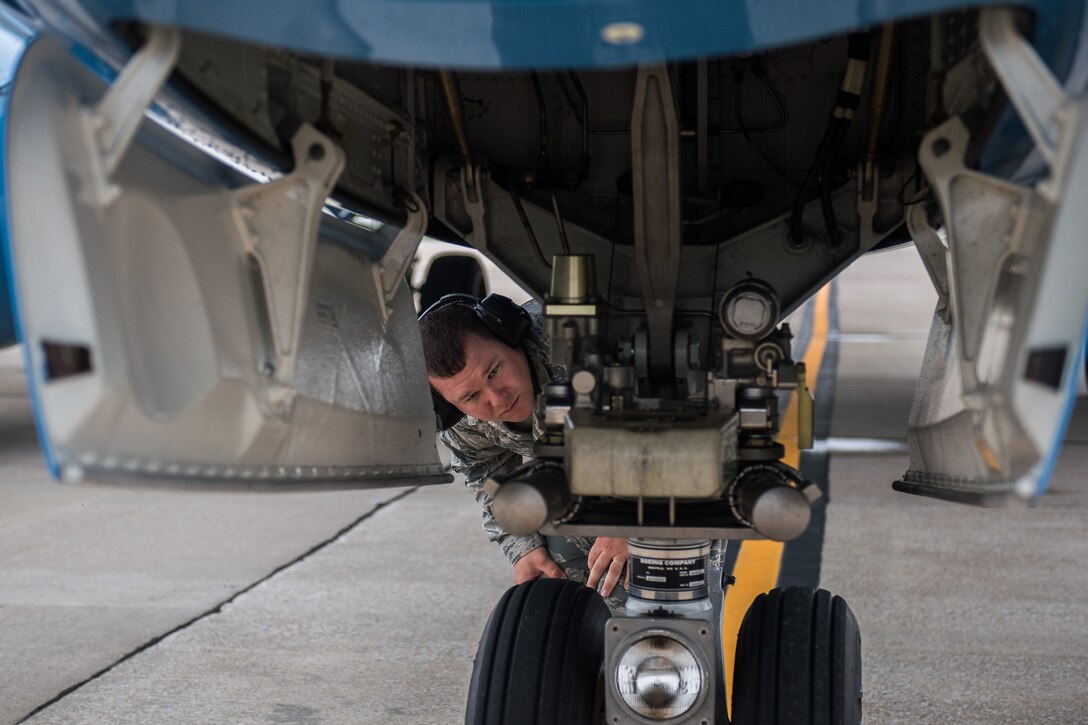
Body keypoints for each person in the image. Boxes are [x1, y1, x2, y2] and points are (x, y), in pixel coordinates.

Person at [418, 294, 629, 612]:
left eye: (494, 371)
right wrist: (523, 547)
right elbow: (486, 475)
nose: (497, 398)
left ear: (509, 334)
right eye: (472, 396)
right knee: (556, 569)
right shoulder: (460, 420)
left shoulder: (583, 349)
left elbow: (680, 434)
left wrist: (631, 521)